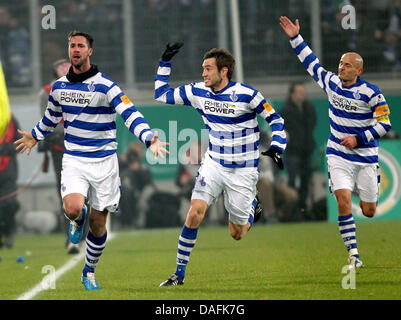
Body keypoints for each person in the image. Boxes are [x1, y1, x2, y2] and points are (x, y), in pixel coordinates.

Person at [14, 30, 169, 290]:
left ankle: (89, 270)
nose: (75, 49)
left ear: (89, 51)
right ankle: (77, 218)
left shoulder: (106, 86)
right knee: (73, 208)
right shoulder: (59, 87)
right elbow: (51, 118)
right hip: (74, 158)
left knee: (98, 224)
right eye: (72, 45)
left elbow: (130, 115)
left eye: (80, 46)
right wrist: (35, 136)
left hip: (105, 163)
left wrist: (149, 138)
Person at [154, 43, 287, 286]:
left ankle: (251, 207)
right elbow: (161, 94)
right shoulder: (197, 91)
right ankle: (178, 274)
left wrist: (278, 146)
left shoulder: (248, 95)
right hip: (214, 163)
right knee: (195, 212)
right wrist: (165, 62)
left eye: (207, 69)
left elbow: (276, 119)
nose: (203, 74)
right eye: (202, 69)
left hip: (244, 170)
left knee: (237, 234)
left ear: (223, 71)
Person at [279, 16, 392, 268]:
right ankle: (353, 254)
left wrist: (359, 138)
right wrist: (295, 37)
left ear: (358, 70)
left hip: (365, 158)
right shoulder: (331, 83)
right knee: (342, 200)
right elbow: (311, 63)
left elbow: (385, 125)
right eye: (340, 63)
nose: (341, 68)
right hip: (338, 154)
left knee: (369, 210)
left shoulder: (372, 93)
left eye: (347, 65)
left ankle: (361, 193)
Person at [38, 58, 81, 254]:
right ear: (54, 71)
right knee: (65, 195)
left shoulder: (84, 87)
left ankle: (82, 235)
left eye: (67, 64)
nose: (64, 67)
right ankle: (69, 237)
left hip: (83, 150)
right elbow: (47, 122)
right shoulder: (46, 92)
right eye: (59, 66)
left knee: (84, 195)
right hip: (60, 152)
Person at [280, 82, 316, 219]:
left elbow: (312, 124)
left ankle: (303, 209)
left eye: (303, 92)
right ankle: (292, 210)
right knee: (293, 181)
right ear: (292, 94)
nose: (302, 95)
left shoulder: (309, 108)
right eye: (299, 92)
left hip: (307, 151)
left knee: (306, 181)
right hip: (292, 153)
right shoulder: (285, 111)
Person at [257, 131, 298, 223]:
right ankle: (271, 216)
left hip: (273, 184)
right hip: (255, 185)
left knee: (292, 196)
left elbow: (285, 136)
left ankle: (279, 216)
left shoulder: (268, 144)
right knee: (265, 182)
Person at [0, 114, 20, 250]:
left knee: (10, 204)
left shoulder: (11, 119)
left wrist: (3, 149)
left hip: (8, 170)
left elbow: (18, 142)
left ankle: (8, 233)